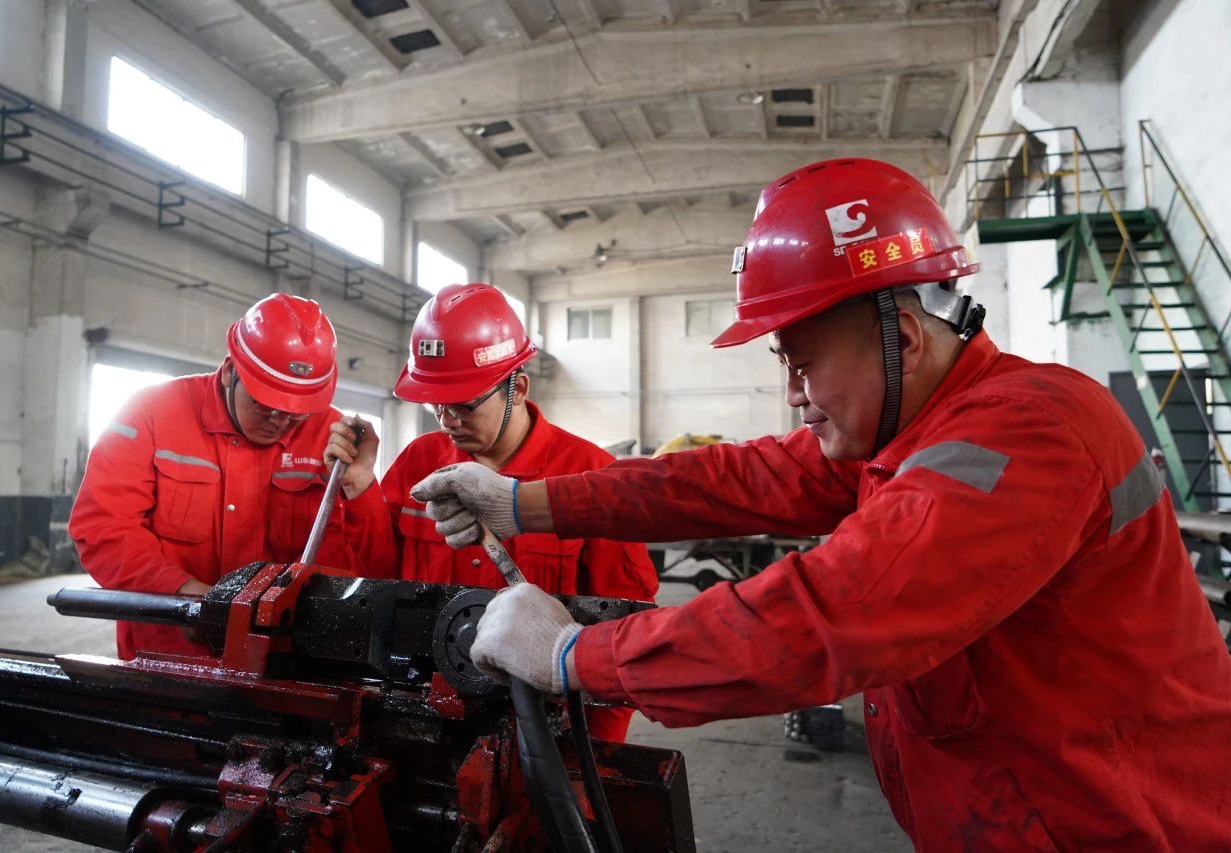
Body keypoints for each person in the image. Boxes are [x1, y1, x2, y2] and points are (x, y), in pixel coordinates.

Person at [409, 160, 1231, 849]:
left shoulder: (1031, 432)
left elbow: (834, 612)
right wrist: (524, 501)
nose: (793, 394)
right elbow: (729, 479)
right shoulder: (905, 428)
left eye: (802, 365)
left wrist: (576, 655)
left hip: (1128, 825)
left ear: (904, 338)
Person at [325, 283, 657, 741]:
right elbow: (381, 583)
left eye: (464, 405)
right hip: (422, 712)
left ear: (517, 388)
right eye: (436, 405)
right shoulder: (419, 462)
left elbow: (621, 631)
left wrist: (594, 756)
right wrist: (361, 484)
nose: (448, 421)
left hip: (541, 729)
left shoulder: (590, 478)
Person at [70, 292, 390, 660]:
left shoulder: (335, 440)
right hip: (168, 658)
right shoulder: (150, 413)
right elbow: (101, 527)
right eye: (265, 405)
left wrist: (360, 486)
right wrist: (186, 596)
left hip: (285, 663)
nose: (281, 421)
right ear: (228, 372)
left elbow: (376, 573)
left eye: (297, 412)